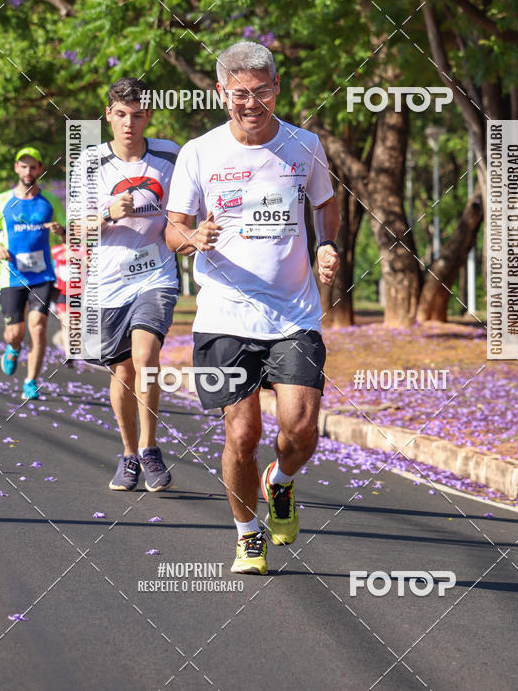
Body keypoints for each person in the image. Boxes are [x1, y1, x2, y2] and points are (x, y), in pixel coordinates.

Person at [165, 41, 340, 575]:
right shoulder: (199, 152)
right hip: (223, 316)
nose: (250, 102)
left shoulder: (304, 144)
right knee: (242, 435)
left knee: (301, 427)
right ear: (222, 94)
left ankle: (281, 482)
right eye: (239, 93)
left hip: (294, 314)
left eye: (261, 91)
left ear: (277, 88)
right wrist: (193, 235)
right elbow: (171, 230)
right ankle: (247, 535)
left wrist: (326, 245)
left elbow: (325, 205)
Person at [72, 78, 180, 492]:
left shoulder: (170, 155)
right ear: (108, 116)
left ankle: (151, 449)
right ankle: (129, 454)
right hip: (109, 281)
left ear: (148, 115)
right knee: (121, 372)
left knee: (146, 355)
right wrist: (106, 212)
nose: (129, 124)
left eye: (137, 115)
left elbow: (184, 213)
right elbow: (74, 231)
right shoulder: (89, 162)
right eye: (121, 115)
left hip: (156, 276)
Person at [0, 147, 66, 400]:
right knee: (15, 332)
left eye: (33, 166)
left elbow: (68, 233)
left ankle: (31, 381)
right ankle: (13, 348)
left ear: (39, 168)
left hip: (42, 275)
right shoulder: (2, 201)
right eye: (23, 166)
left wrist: (61, 230)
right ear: (16, 168)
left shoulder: (50, 201)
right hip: (11, 275)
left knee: (38, 328)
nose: (28, 171)